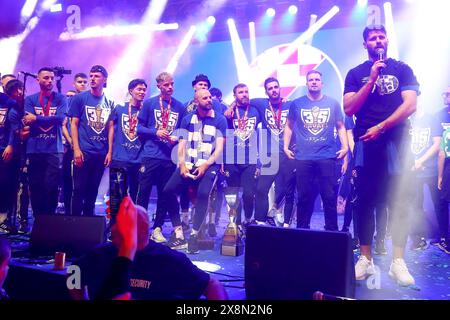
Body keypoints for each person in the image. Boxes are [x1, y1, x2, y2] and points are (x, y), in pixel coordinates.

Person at [343, 24, 419, 286]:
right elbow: (349, 107)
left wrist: (382, 126)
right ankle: (366, 259)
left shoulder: (402, 68)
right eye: (372, 38)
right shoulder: (356, 74)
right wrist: (372, 79)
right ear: (365, 44)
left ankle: (398, 261)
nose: (378, 41)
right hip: (366, 145)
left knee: (399, 201)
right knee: (363, 202)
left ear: (387, 40)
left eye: (381, 36)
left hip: (396, 143)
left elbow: (411, 104)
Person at [70, 196, 228, 300]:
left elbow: (211, 285)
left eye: (126, 224)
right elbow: (73, 271)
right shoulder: (101, 255)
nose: (115, 230)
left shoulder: (169, 260)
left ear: (143, 229)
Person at [284, 70, 348, 231]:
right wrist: (285, 147)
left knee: (329, 196)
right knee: (304, 197)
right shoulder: (297, 104)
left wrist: (346, 147)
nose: (314, 82)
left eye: (317, 79)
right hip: (303, 157)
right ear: (306, 83)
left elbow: (341, 127)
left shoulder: (333, 103)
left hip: (327, 156)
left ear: (322, 83)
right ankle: (302, 230)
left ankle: (332, 231)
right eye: (311, 79)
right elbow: (289, 126)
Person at [164, 89, 226, 254]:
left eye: (209, 97)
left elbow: (219, 149)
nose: (209, 100)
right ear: (196, 101)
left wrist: (205, 165)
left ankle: (193, 235)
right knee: (168, 190)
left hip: (209, 165)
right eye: (204, 98)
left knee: (203, 194)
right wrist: (182, 164)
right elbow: (181, 146)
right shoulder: (187, 119)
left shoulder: (220, 120)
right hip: (189, 163)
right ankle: (178, 232)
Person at [136, 72, 186, 245]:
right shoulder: (149, 104)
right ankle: (139, 228)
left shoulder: (179, 106)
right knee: (143, 193)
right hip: (150, 155)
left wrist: (176, 137)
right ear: (159, 86)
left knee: (164, 195)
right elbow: (138, 128)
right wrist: (155, 132)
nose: (170, 87)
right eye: (166, 85)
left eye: (172, 84)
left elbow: (183, 132)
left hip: (168, 158)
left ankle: (157, 229)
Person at [68, 65, 114, 216]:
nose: (93, 78)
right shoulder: (80, 98)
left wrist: (109, 152)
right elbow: (73, 124)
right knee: (78, 189)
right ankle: (74, 222)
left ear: (105, 80)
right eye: (91, 75)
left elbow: (110, 128)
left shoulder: (109, 102)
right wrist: (76, 149)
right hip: (84, 152)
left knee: (93, 190)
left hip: (100, 153)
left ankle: (88, 222)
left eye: (96, 76)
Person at [252, 77, 296, 226]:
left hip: (288, 154)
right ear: (266, 91)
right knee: (261, 189)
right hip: (270, 155)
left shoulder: (291, 104)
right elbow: (243, 101)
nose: (273, 90)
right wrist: (232, 106)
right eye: (270, 88)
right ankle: (260, 222)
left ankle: (286, 224)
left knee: (289, 191)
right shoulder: (261, 103)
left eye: (275, 87)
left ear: (279, 88)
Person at [23, 67, 66, 216]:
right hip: (34, 149)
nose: (50, 81)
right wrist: (37, 120)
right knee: (35, 186)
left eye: (52, 78)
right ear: (38, 80)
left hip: (54, 149)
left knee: (52, 186)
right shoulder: (30, 100)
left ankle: (49, 219)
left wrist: (36, 118)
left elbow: (60, 119)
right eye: (46, 78)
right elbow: (27, 120)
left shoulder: (61, 98)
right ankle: (38, 219)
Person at [224, 83, 261, 226]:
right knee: (233, 195)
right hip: (231, 159)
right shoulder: (228, 113)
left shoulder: (256, 110)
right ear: (234, 95)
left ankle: (248, 219)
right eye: (240, 92)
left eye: (246, 91)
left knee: (248, 194)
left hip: (250, 159)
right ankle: (235, 223)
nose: (244, 94)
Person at [110, 79, 147, 202]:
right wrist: (110, 152)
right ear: (131, 91)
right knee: (117, 194)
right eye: (139, 89)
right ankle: (115, 221)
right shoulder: (120, 108)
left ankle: (132, 221)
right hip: (119, 158)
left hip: (138, 160)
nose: (142, 92)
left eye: (144, 90)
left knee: (136, 196)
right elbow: (109, 129)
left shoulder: (146, 111)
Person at [433, 86, 450, 253]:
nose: (444, 96)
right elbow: (440, 150)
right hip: (445, 167)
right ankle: (445, 238)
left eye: (448, 93)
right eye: (443, 93)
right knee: (443, 202)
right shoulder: (439, 115)